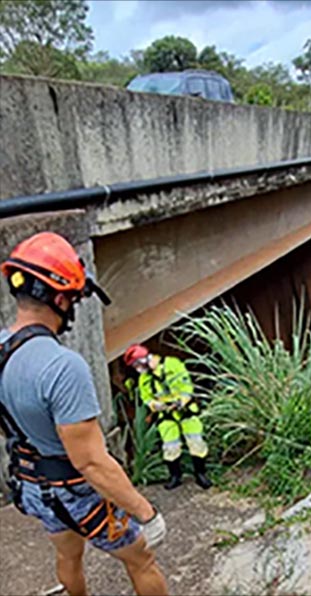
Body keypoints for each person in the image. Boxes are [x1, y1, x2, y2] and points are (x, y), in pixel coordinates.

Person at [0, 232, 169, 596]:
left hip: (31, 486)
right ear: (59, 297)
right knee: (141, 558)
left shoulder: (1, 351)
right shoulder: (63, 367)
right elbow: (92, 463)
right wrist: (145, 513)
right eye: (74, 299)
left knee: (68, 556)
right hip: (75, 492)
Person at [123, 345, 211, 490]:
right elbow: (146, 397)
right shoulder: (144, 379)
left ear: (144, 359)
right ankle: (175, 476)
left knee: (196, 442)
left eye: (137, 364)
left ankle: (201, 474)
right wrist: (154, 405)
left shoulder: (172, 364)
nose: (137, 369)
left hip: (186, 411)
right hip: (165, 415)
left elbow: (186, 385)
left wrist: (182, 401)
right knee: (170, 446)